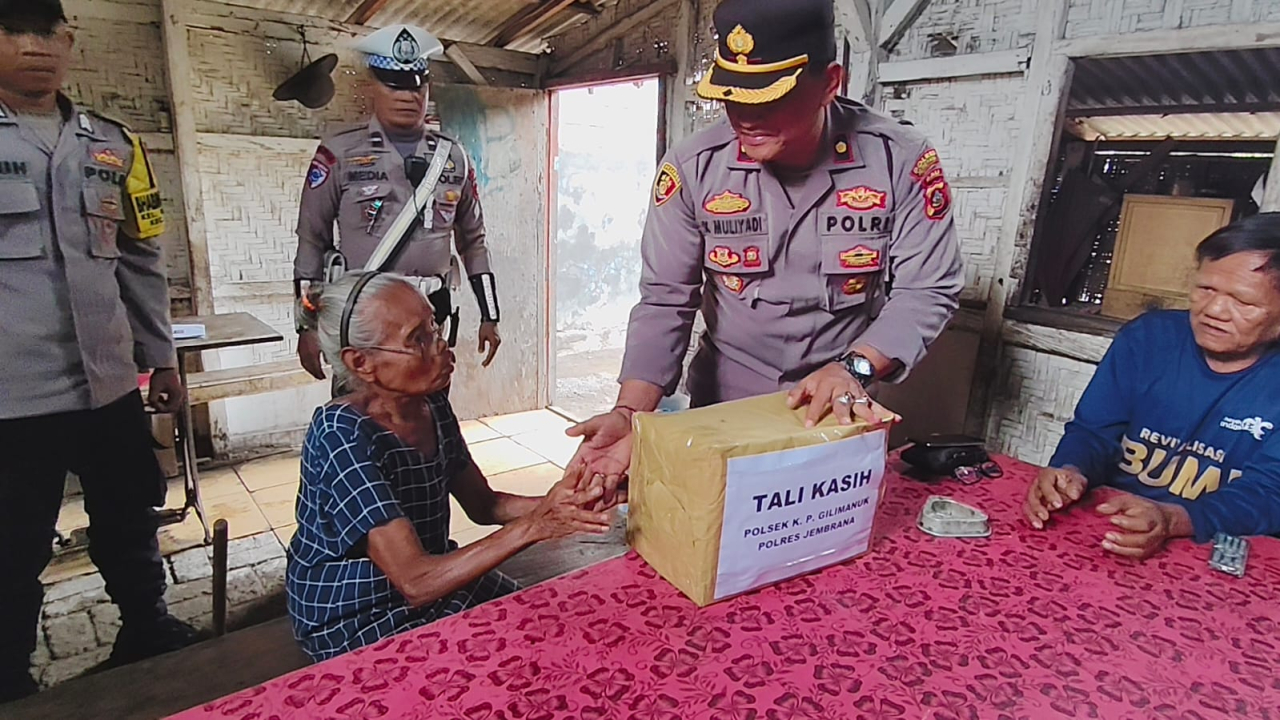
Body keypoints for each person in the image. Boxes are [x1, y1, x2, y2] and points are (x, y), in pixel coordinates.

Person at [567, 0, 963, 488]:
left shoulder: (898, 161)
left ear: (830, 83)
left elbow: (927, 290)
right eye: (732, 96)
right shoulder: (694, 168)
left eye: (769, 96)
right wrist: (630, 411)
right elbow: (666, 299)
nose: (746, 116)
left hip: (836, 411)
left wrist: (854, 368)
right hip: (723, 411)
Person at [0, 0, 197, 702]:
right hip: (11, 398)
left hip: (108, 382)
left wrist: (163, 357)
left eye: (48, 34)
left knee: (127, 514)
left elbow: (142, 261)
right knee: (13, 544)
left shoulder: (114, 146)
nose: (36, 49)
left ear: (69, 42)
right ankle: (10, 676)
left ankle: (146, 625)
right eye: (15, 34)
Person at [286, 273, 614, 661]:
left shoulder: (432, 406)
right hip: (359, 611)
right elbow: (414, 580)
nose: (441, 346)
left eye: (435, 328)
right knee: (511, 658)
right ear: (362, 363)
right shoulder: (342, 433)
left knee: (548, 624)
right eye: (418, 340)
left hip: (432, 580)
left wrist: (573, 499)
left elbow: (485, 505)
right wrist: (536, 525)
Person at [1025, 213, 1280, 559]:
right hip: (1113, 526)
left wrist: (1172, 519)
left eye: (1243, 302)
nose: (1214, 310)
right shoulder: (1148, 339)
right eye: (1205, 289)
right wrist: (1071, 470)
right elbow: (1094, 432)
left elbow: (1269, 494)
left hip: (1213, 547)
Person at [293, 24, 502, 389]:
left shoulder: (452, 156)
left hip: (429, 317)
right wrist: (306, 326)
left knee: (431, 418)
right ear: (371, 86)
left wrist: (490, 314)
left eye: (417, 84)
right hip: (363, 319)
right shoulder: (339, 153)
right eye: (394, 83)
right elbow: (312, 240)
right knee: (361, 420)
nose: (409, 95)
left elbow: (473, 241)